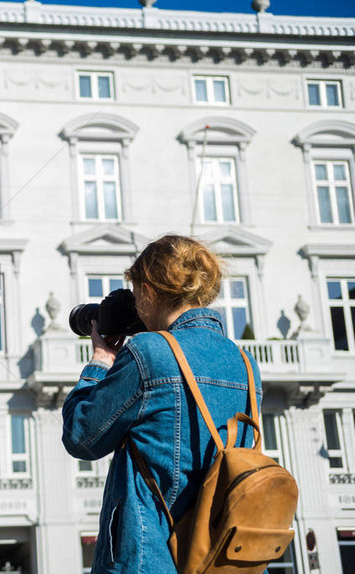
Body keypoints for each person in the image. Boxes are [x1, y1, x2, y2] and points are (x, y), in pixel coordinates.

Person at [62, 234, 262, 573]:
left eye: (137, 292)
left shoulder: (150, 353)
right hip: (224, 558)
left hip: (149, 556)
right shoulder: (245, 363)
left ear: (150, 291)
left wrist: (100, 360)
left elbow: (81, 437)